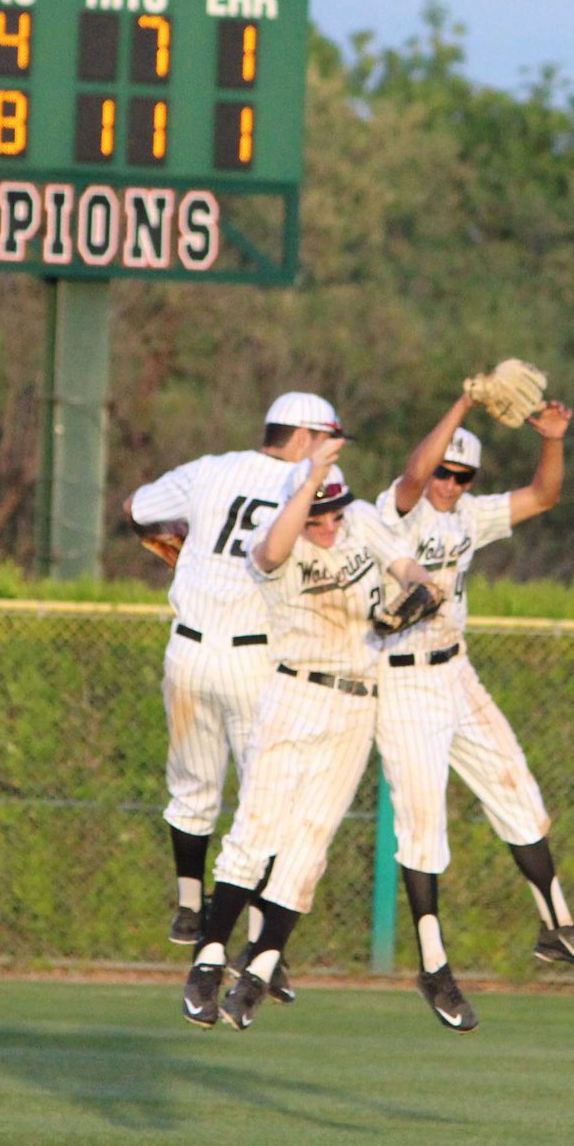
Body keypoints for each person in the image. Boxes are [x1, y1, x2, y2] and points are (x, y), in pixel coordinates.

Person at [181, 440, 451, 1030]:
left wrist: (417, 591)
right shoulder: (278, 545)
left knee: (308, 847)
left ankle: (260, 968)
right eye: (316, 516)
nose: (328, 526)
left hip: (355, 704)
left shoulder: (357, 524)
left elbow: (412, 570)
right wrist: (310, 482)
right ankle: (208, 959)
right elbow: (273, 548)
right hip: (294, 692)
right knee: (255, 831)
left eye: (334, 513)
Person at [377, 390, 574, 977]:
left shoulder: (468, 514)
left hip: (455, 670)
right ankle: (431, 963)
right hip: (403, 681)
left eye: (463, 475)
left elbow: (545, 495)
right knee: (422, 826)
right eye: (445, 471)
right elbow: (414, 474)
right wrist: (463, 406)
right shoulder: (397, 510)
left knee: (519, 795)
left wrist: (552, 440)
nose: (450, 483)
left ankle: (558, 927)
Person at [123, 391, 340, 948]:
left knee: (192, 787)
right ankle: (260, 940)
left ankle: (189, 907)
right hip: (253, 660)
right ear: (301, 437)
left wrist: (184, 538)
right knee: (265, 800)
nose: (331, 453)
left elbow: (135, 509)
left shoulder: (209, 470)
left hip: (188, 652)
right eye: (326, 441)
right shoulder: (302, 485)